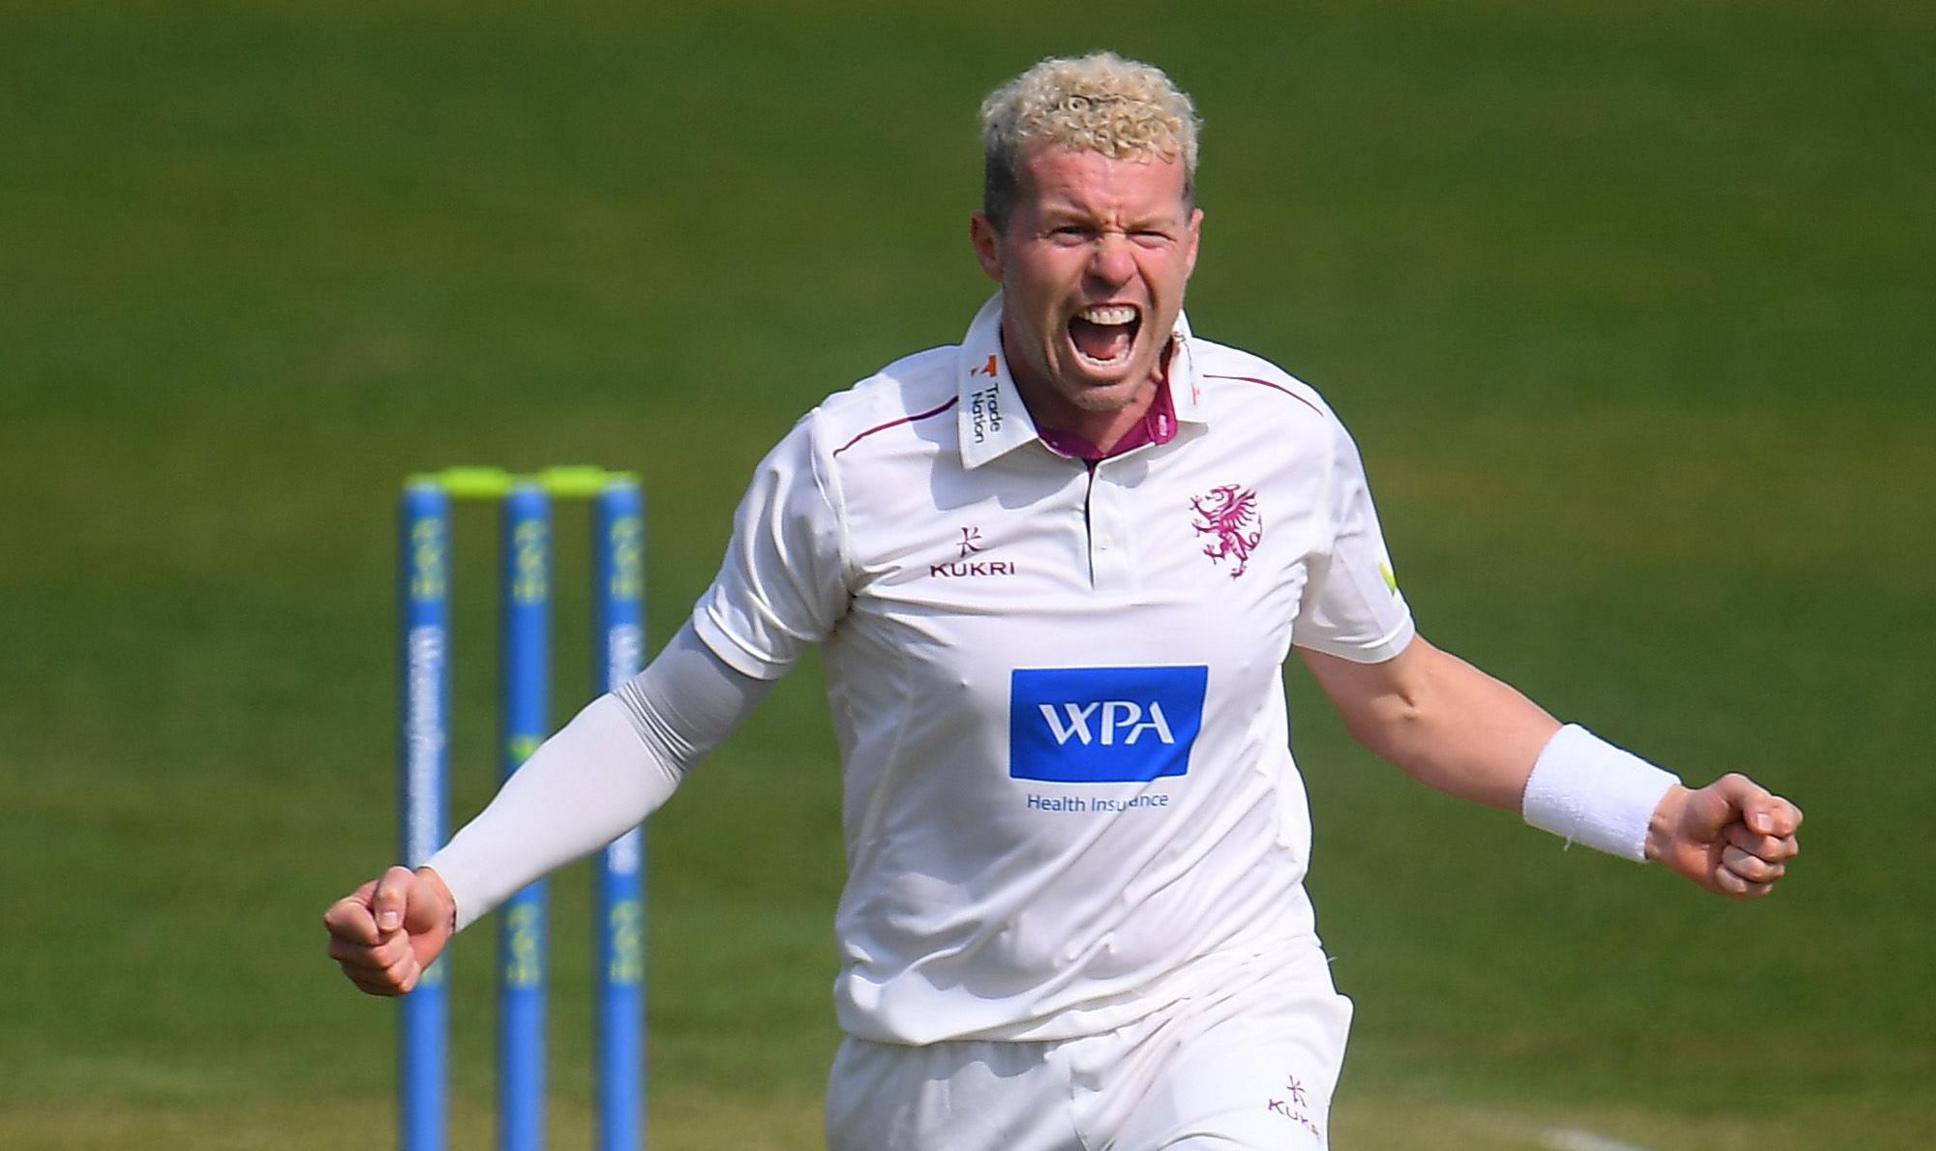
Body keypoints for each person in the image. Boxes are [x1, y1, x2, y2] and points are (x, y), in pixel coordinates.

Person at [326, 52, 1803, 1150]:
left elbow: (1399, 690)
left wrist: (1652, 808)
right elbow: (664, 723)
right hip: (944, 1064)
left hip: (1214, 1013)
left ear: (1193, 245)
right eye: (1072, 229)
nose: (1115, 271)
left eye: (1148, 233)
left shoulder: (1283, 438)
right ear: (992, 245)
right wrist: (457, 880)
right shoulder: (857, 466)